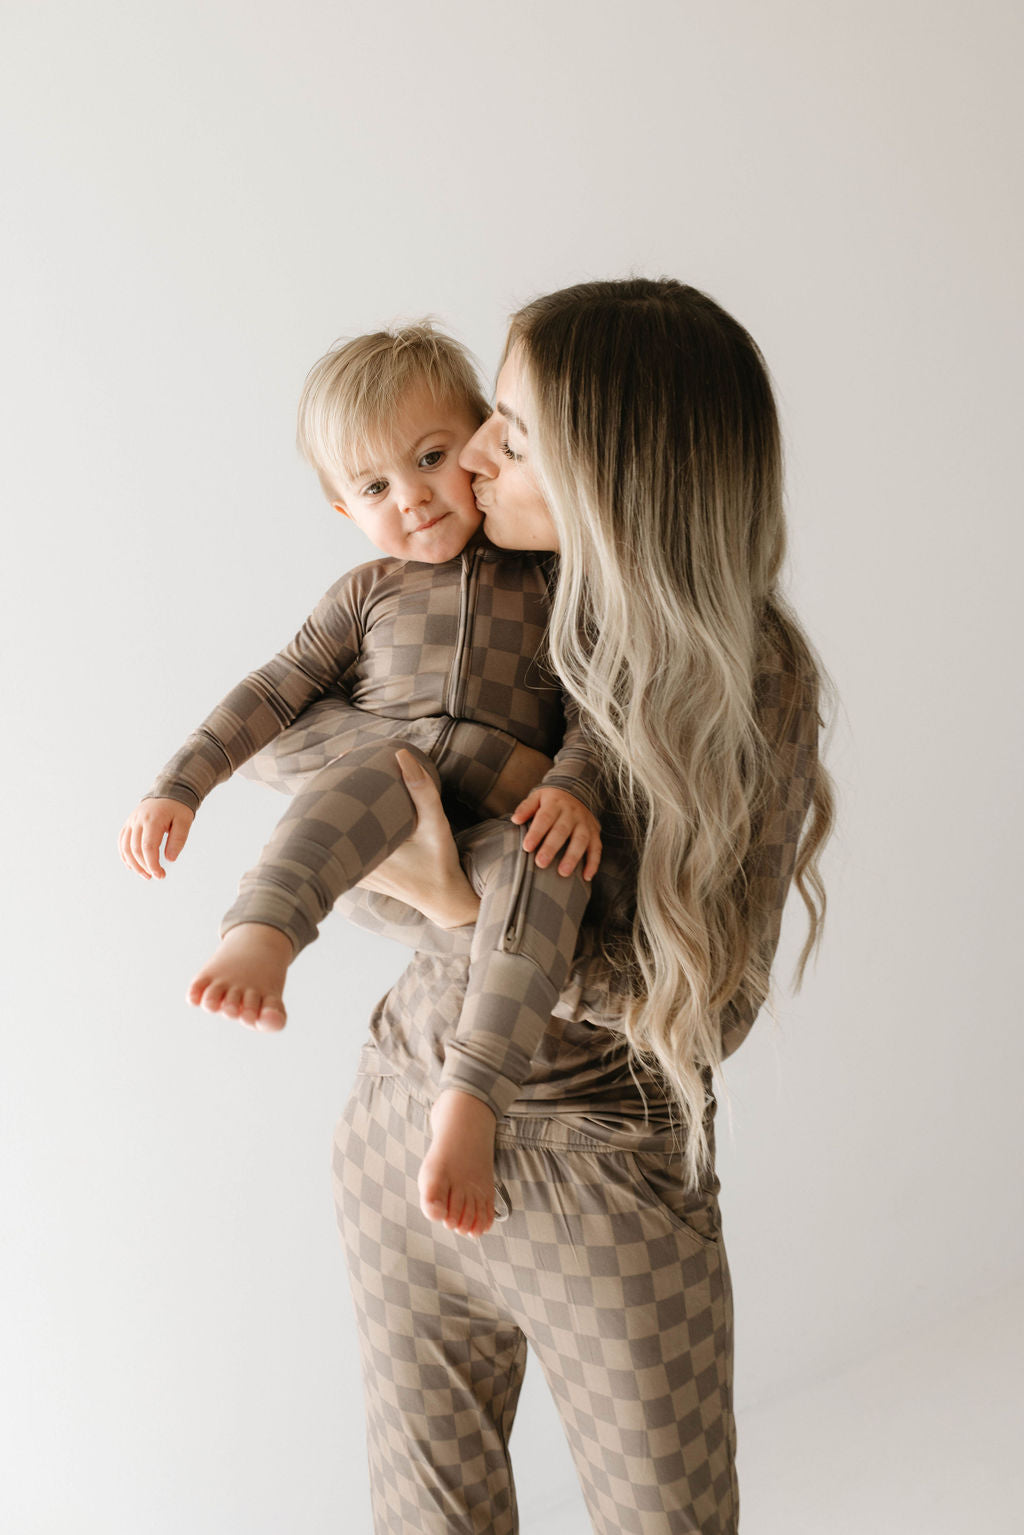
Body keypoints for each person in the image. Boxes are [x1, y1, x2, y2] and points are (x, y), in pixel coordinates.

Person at [329, 278, 836, 1534]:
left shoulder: (748, 680)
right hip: (403, 1110)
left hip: (602, 1179)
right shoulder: (473, 593)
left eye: (515, 427)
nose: (476, 453)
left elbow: (709, 1010)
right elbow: (343, 818)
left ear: (620, 470)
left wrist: (464, 905)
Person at [118, 322, 605, 1240]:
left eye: (430, 457)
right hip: (394, 789)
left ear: (478, 443)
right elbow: (274, 691)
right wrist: (179, 784)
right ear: (345, 510)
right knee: (371, 768)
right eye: (376, 486)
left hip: (508, 819)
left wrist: (573, 784)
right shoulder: (366, 593)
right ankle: (263, 929)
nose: (414, 497)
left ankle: (472, 1096)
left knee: (552, 872)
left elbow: (599, 713)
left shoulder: (558, 579)